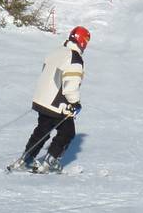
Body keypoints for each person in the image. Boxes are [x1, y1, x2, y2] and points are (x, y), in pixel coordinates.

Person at [10, 26, 90, 173]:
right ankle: (50, 161)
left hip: (42, 98)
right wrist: (75, 103)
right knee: (67, 132)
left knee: (43, 130)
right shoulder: (74, 58)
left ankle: (26, 158)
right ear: (82, 41)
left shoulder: (57, 51)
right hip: (56, 104)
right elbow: (71, 85)